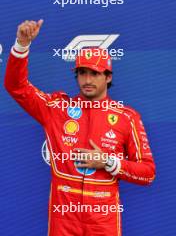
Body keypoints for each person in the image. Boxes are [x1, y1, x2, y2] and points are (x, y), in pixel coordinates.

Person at [4, 19, 156, 236]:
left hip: (104, 219)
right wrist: (21, 45)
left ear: (108, 77)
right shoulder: (56, 108)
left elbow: (148, 173)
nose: (87, 79)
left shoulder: (127, 117)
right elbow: (16, 86)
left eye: (95, 73)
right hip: (64, 217)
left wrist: (108, 162)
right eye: (82, 72)